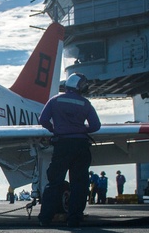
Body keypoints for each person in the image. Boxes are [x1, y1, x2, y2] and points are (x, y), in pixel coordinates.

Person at [37, 73, 101, 228]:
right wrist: (82, 128)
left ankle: (45, 219)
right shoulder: (85, 103)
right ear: (81, 87)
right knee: (79, 184)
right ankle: (74, 219)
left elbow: (43, 120)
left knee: (54, 182)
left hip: (62, 145)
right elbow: (95, 125)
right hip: (81, 145)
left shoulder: (55, 100)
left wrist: (55, 129)